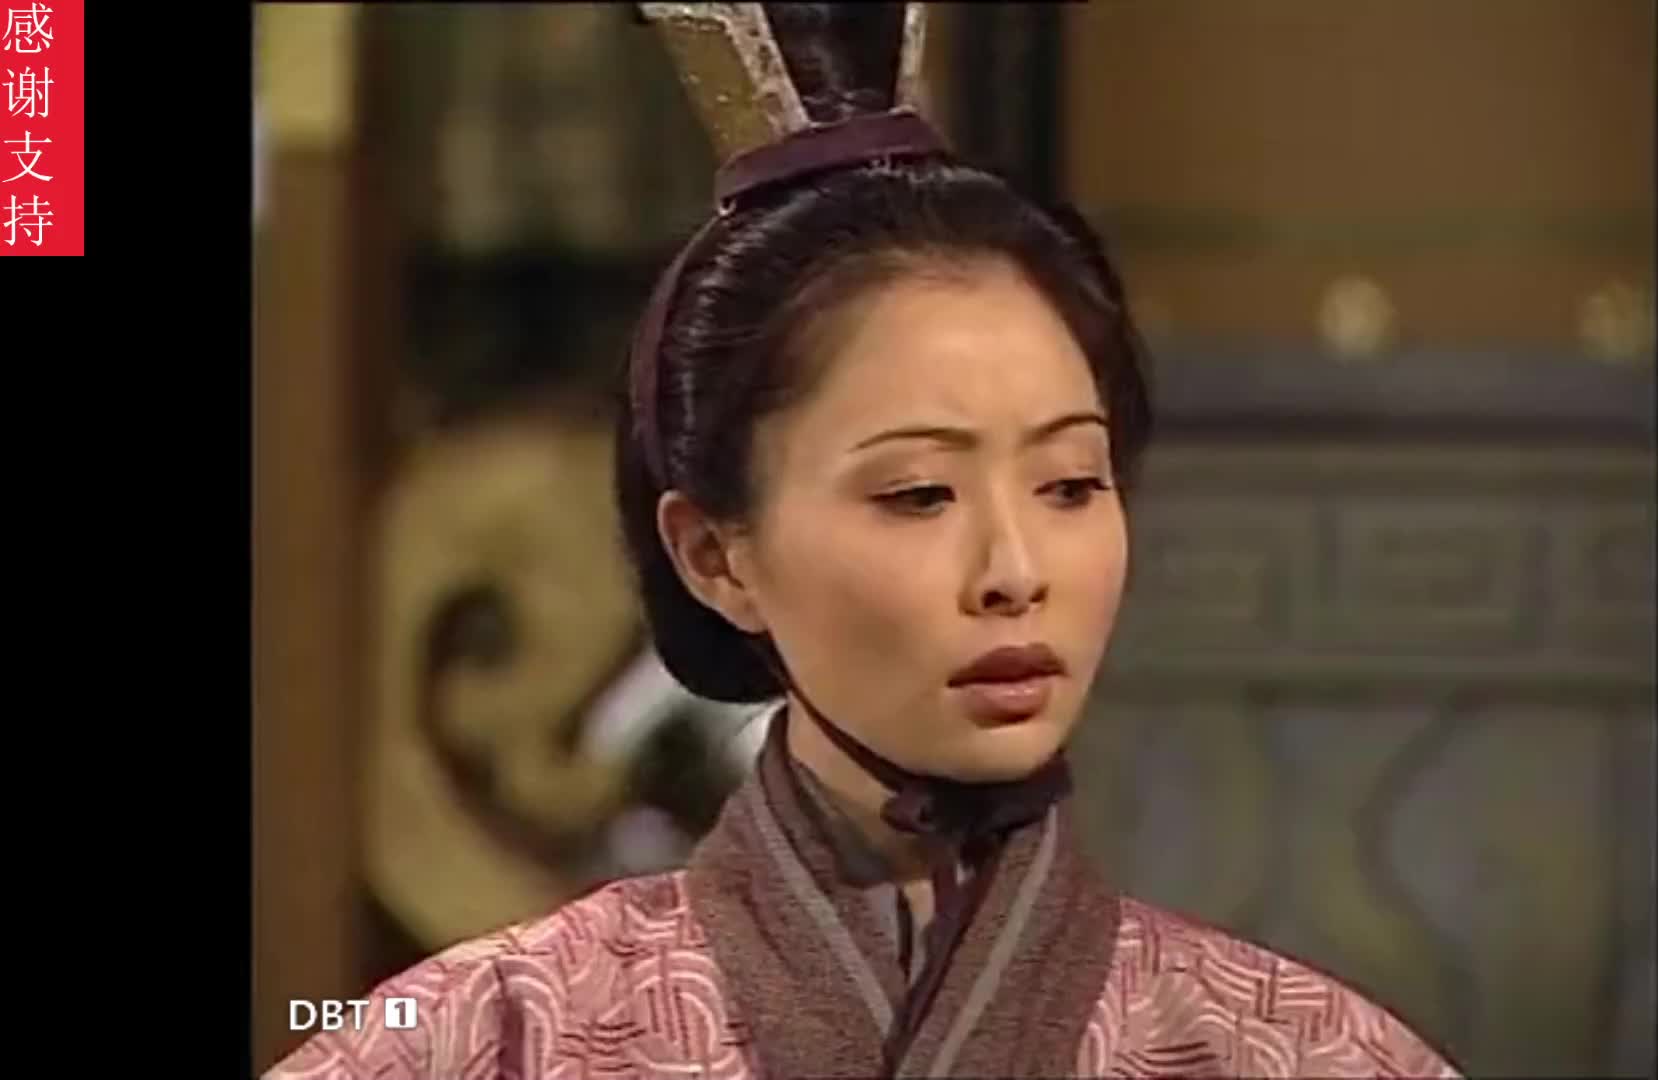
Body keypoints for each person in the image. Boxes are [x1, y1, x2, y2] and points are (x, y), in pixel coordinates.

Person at [265, 4, 1459, 1077]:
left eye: (1069, 485)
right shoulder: (489, 1039)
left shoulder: (1294, 1051)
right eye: (920, 494)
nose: (1015, 572)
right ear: (715, 555)